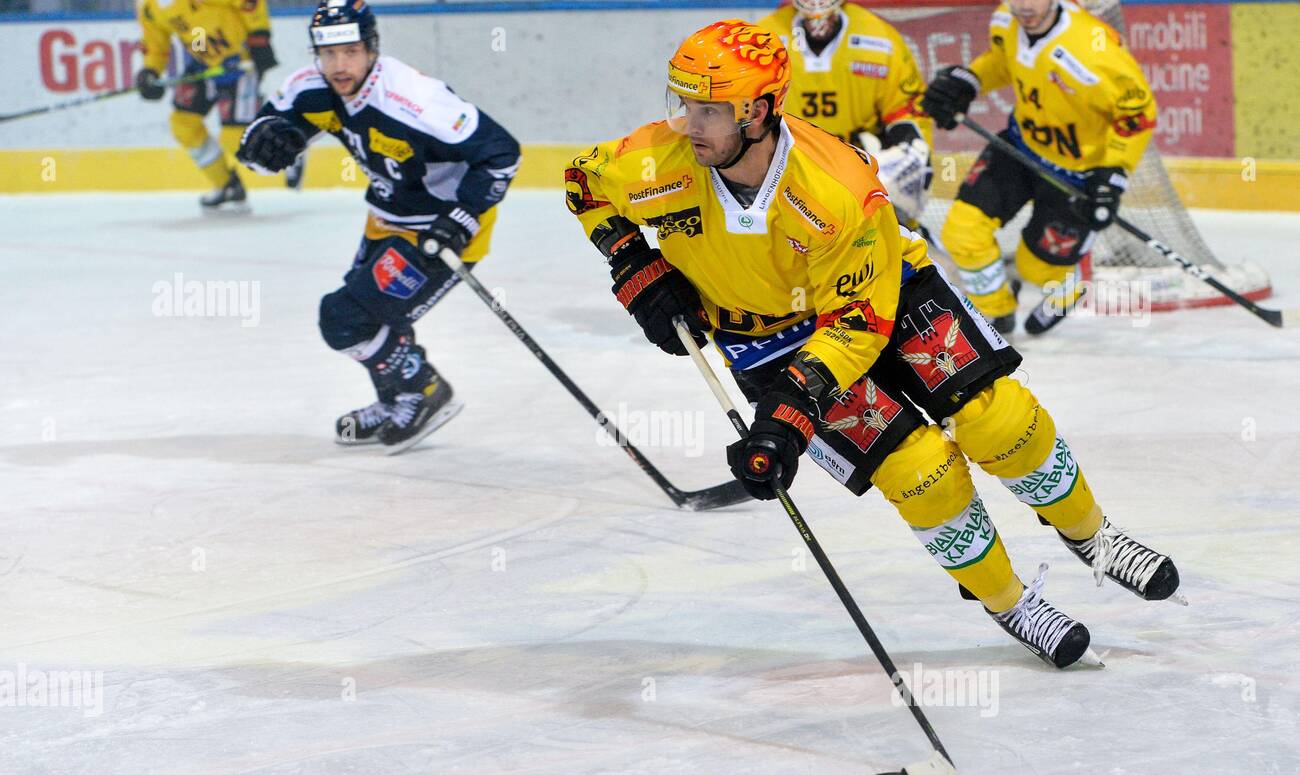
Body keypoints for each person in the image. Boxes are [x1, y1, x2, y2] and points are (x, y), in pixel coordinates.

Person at [564, 19, 1178, 668]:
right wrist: (633, 263)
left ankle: (1095, 537)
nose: (689, 124)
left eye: (710, 109)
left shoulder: (837, 188)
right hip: (761, 337)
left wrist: (794, 406)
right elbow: (584, 184)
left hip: (885, 294)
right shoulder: (656, 161)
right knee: (922, 475)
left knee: (1000, 422)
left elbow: (861, 321)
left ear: (763, 110)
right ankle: (1011, 602)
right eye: (685, 103)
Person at [235, 0, 521, 453]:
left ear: (372, 49)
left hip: (441, 231)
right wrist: (261, 143)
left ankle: (425, 391)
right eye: (327, 54)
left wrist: (462, 216)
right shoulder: (313, 87)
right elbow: (269, 128)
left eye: (349, 52)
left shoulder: (414, 100)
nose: (338, 65)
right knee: (375, 317)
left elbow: (502, 152)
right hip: (387, 219)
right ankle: (397, 400)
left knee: (345, 318)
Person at [922, 0, 1157, 333]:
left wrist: (1112, 174)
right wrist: (971, 81)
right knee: (962, 231)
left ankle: (1068, 285)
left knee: (1035, 268)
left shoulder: (1094, 50)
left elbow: (1137, 116)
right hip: (1020, 148)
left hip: (1075, 176)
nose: (1024, 6)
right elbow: (1004, 63)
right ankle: (995, 310)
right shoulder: (1006, 19)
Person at [755, 0, 932, 224]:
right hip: (789, 161)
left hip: (861, 162)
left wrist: (911, 147)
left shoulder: (880, 39)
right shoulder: (765, 42)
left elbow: (907, 109)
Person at [135, 0, 302, 211]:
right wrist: (150, 71)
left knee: (235, 138)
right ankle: (227, 186)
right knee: (183, 125)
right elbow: (156, 44)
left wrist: (259, 37)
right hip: (203, 65)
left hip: (240, 64)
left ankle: (290, 150)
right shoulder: (151, 8)